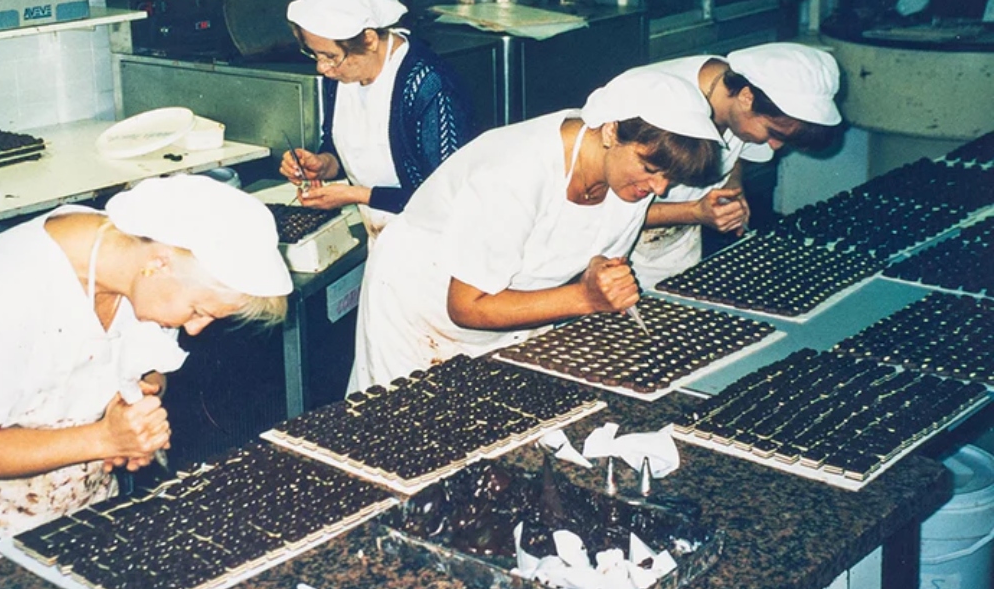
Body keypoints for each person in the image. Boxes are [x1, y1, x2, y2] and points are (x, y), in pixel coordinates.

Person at [0, 175, 292, 589]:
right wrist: (103, 437)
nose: (194, 327)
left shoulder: (134, 268)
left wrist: (136, 409)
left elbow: (149, 369)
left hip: (70, 508)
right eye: (197, 310)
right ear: (160, 263)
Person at [348, 68, 724, 392]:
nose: (659, 190)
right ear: (611, 132)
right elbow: (465, 306)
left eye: (669, 178)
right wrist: (585, 298)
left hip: (517, 308)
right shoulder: (515, 171)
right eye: (651, 170)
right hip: (421, 303)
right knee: (407, 432)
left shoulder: (631, 175)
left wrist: (600, 276)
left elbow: (599, 256)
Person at [627, 42, 843, 289]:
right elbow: (605, 214)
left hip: (675, 254)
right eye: (773, 133)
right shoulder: (656, 104)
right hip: (618, 265)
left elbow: (735, 150)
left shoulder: (736, 100)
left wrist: (732, 182)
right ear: (746, 97)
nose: (773, 146)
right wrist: (694, 212)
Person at [280, 0, 476, 239]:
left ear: (369, 40)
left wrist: (356, 195)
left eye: (330, 56)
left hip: (438, 242)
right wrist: (323, 164)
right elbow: (343, 146)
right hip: (384, 238)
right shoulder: (341, 75)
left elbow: (446, 196)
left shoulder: (429, 85)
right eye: (315, 54)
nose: (322, 67)